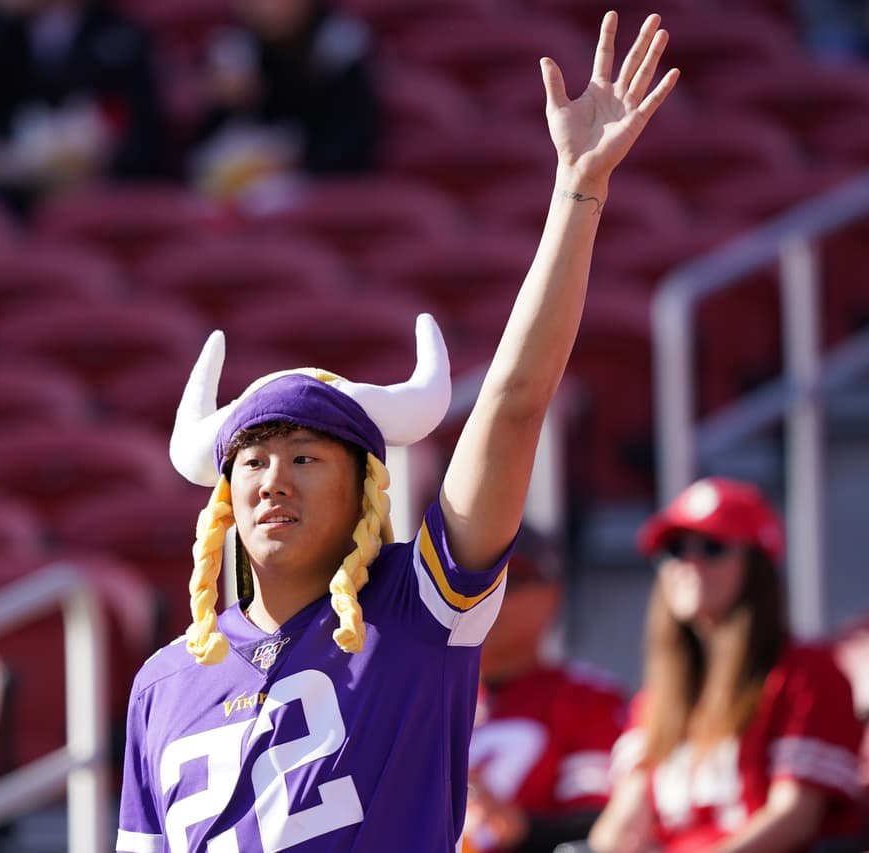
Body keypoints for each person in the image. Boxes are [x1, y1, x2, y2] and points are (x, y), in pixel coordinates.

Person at [116, 12, 680, 851]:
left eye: (305, 457)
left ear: (367, 492)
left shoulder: (418, 612)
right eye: (256, 460)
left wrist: (577, 191)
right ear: (224, 497)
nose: (274, 480)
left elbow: (516, 401)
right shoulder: (161, 683)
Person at [587, 477, 865, 853]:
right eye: (674, 550)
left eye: (712, 547)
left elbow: (796, 817)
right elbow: (620, 827)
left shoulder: (807, 673)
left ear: (757, 566)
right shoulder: (656, 700)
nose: (690, 562)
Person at [463, 529, 628, 853]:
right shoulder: (417, 702)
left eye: (509, 582)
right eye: (473, 584)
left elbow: (598, 827)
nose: (486, 597)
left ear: (552, 595)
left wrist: (521, 829)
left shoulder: (587, 699)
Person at [0, 0, 169, 194]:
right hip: (1, 183)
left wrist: (100, 162)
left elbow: (146, 138)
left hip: (94, 187)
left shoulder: (121, 33)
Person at [189, 0, 379, 203]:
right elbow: (203, 147)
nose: (269, 7)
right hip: (239, 188)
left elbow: (352, 143)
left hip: (322, 192)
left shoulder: (340, 43)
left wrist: (296, 163)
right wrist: (227, 104)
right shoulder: (233, 49)